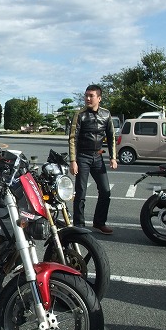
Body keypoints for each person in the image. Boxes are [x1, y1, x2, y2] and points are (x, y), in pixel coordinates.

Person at [68, 84, 118, 234]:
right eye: (86, 95)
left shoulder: (106, 114)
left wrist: (113, 157)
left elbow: (111, 137)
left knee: (105, 191)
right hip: (82, 156)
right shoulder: (80, 115)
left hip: (98, 157)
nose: (88, 98)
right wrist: (73, 161)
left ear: (99, 98)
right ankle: (79, 225)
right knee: (81, 192)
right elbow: (73, 138)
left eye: (91, 96)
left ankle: (99, 222)